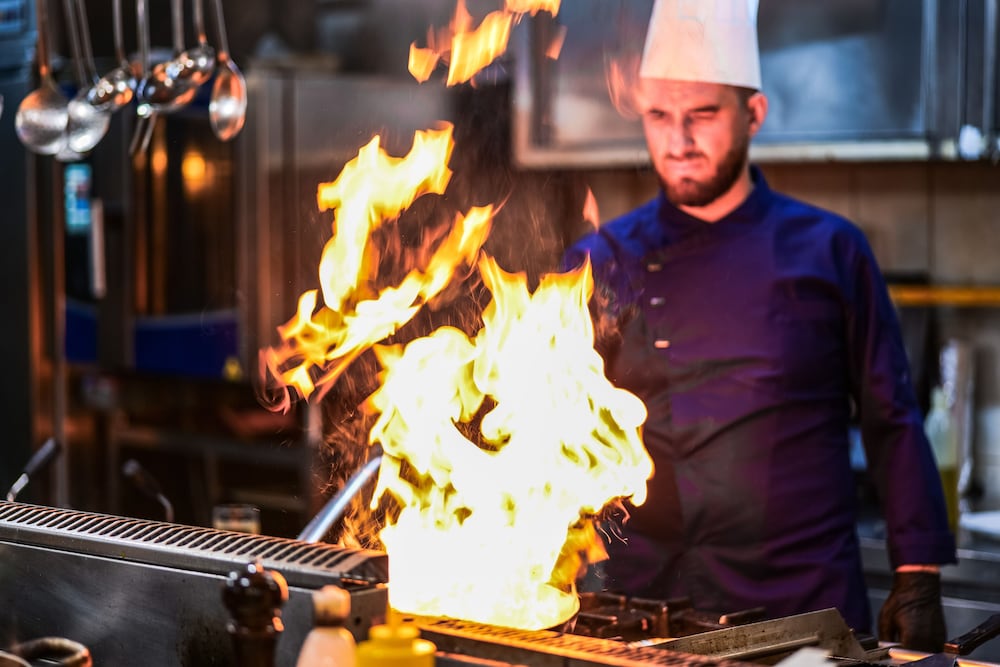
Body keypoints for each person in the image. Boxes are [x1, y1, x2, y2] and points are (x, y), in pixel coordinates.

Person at [562, 0, 957, 651]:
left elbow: (892, 420)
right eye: (659, 116)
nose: (678, 139)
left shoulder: (829, 250)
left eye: (702, 114)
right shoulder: (598, 262)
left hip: (803, 611)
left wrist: (918, 573)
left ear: (754, 114)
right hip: (639, 614)